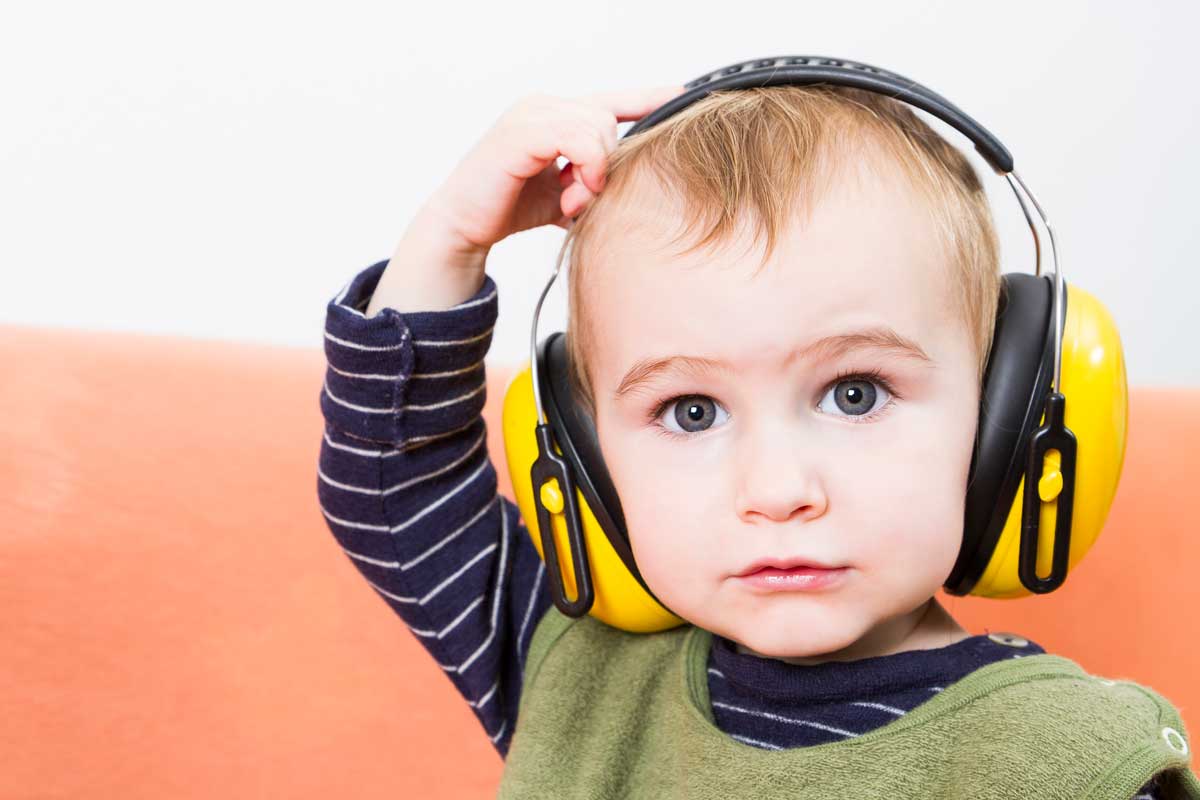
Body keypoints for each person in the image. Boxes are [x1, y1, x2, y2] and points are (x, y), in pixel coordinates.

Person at [316, 78, 1197, 798]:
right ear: (584, 456)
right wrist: (451, 240)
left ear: (1010, 420)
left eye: (856, 394)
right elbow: (393, 489)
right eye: (691, 411)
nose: (777, 490)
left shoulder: (1069, 767)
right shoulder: (571, 671)